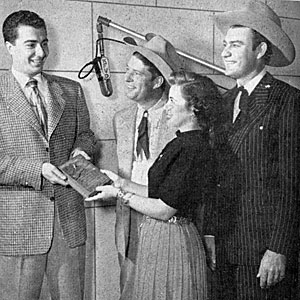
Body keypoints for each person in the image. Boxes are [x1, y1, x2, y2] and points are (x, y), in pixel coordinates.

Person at [87, 70, 220, 299]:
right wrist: (122, 183)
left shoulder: (192, 148)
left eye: (173, 101)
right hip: (160, 238)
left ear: (194, 110)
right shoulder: (181, 142)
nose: (167, 107)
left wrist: (119, 195)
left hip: (172, 241)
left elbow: (164, 208)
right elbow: (161, 192)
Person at [0, 10, 96, 299]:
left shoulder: (71, 90)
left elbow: (87, 136)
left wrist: (83, 149)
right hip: (19, 229)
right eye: (31, 44)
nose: (41, 52)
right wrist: (37, 170)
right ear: (9, 47)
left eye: (44, 43)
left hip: (69, 223)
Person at [212, 1, 300, 299]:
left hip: (264, 253)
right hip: (226, 250)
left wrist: (279, 248)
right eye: (225, 44)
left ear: (260, 50)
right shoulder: (224, 102)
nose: (225, 52)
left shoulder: (287, 101)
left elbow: (292, 184)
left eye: (235, 45)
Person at [112, 33, 182, 295]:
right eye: (127, 71)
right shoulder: (121, 119)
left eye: (137, 74)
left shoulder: (180, 117)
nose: (127, 79)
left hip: (168, 227)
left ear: (158, 81)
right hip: (129, 226)